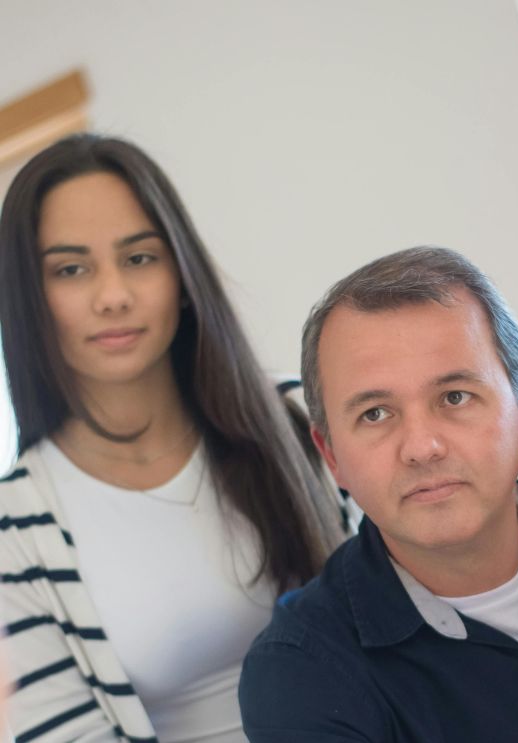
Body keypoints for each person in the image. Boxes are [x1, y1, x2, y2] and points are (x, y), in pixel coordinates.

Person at [237, 247, 518, 742]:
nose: (422, 448)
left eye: (455, 397)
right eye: (375, 414)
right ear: (332, 455)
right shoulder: (301, 674)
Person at [0, 134, 350, 742]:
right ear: (30, 296)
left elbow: (416, 631)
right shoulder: (15, 529)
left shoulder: (300, 422)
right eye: (71, 269)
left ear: (182, 274)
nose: (114, 296)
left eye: (139, 258)